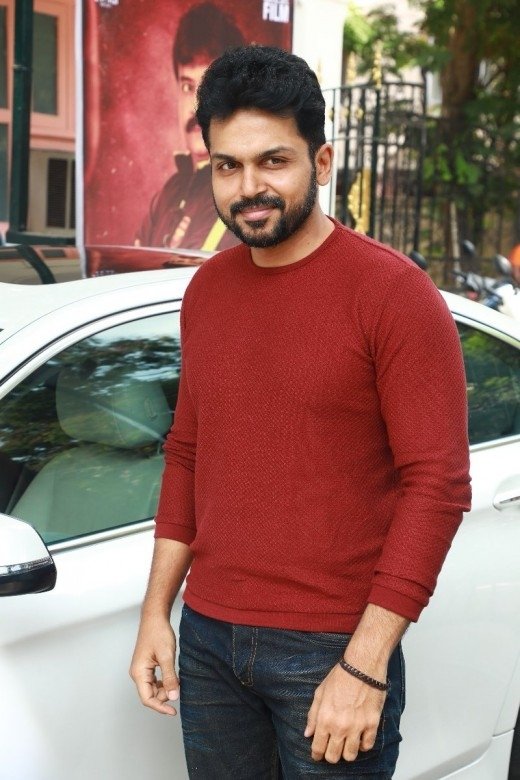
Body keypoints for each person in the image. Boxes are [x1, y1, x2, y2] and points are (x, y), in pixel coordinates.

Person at [130, 46, 472, 778]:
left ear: (320, 162)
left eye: (272, 161)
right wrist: (157, 611)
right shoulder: (206, 292)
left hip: (331, 648)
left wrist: (365, 664)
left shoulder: (393, 294)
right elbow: (188, 453)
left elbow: (437, 487)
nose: (248, 187)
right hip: (210, 640)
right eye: (228, 165)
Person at [134, 2, 243, 251]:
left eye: (208, 89)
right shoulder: (169, 192)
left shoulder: (241, 191)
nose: (195, 106)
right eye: (187, 87)